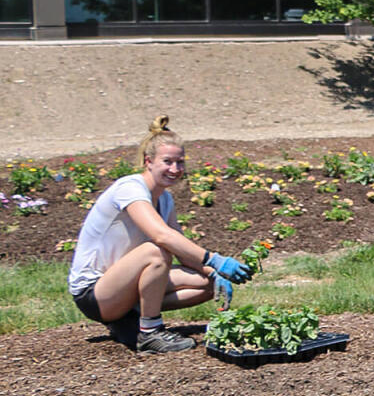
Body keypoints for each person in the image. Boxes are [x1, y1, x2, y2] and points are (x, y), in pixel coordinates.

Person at [67, 117, 255, 352]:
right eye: (167, 161)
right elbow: (162, 236)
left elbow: (181, 249)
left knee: (208, 284)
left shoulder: (164, 198)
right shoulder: (129, 189)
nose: (175, 169)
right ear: (149, 161)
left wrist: (214, 272)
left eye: (180, 162)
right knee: (156, 251)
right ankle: (150, 333)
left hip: (124, 286)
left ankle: (129, 320)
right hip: (95, 293)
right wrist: (215, 259)